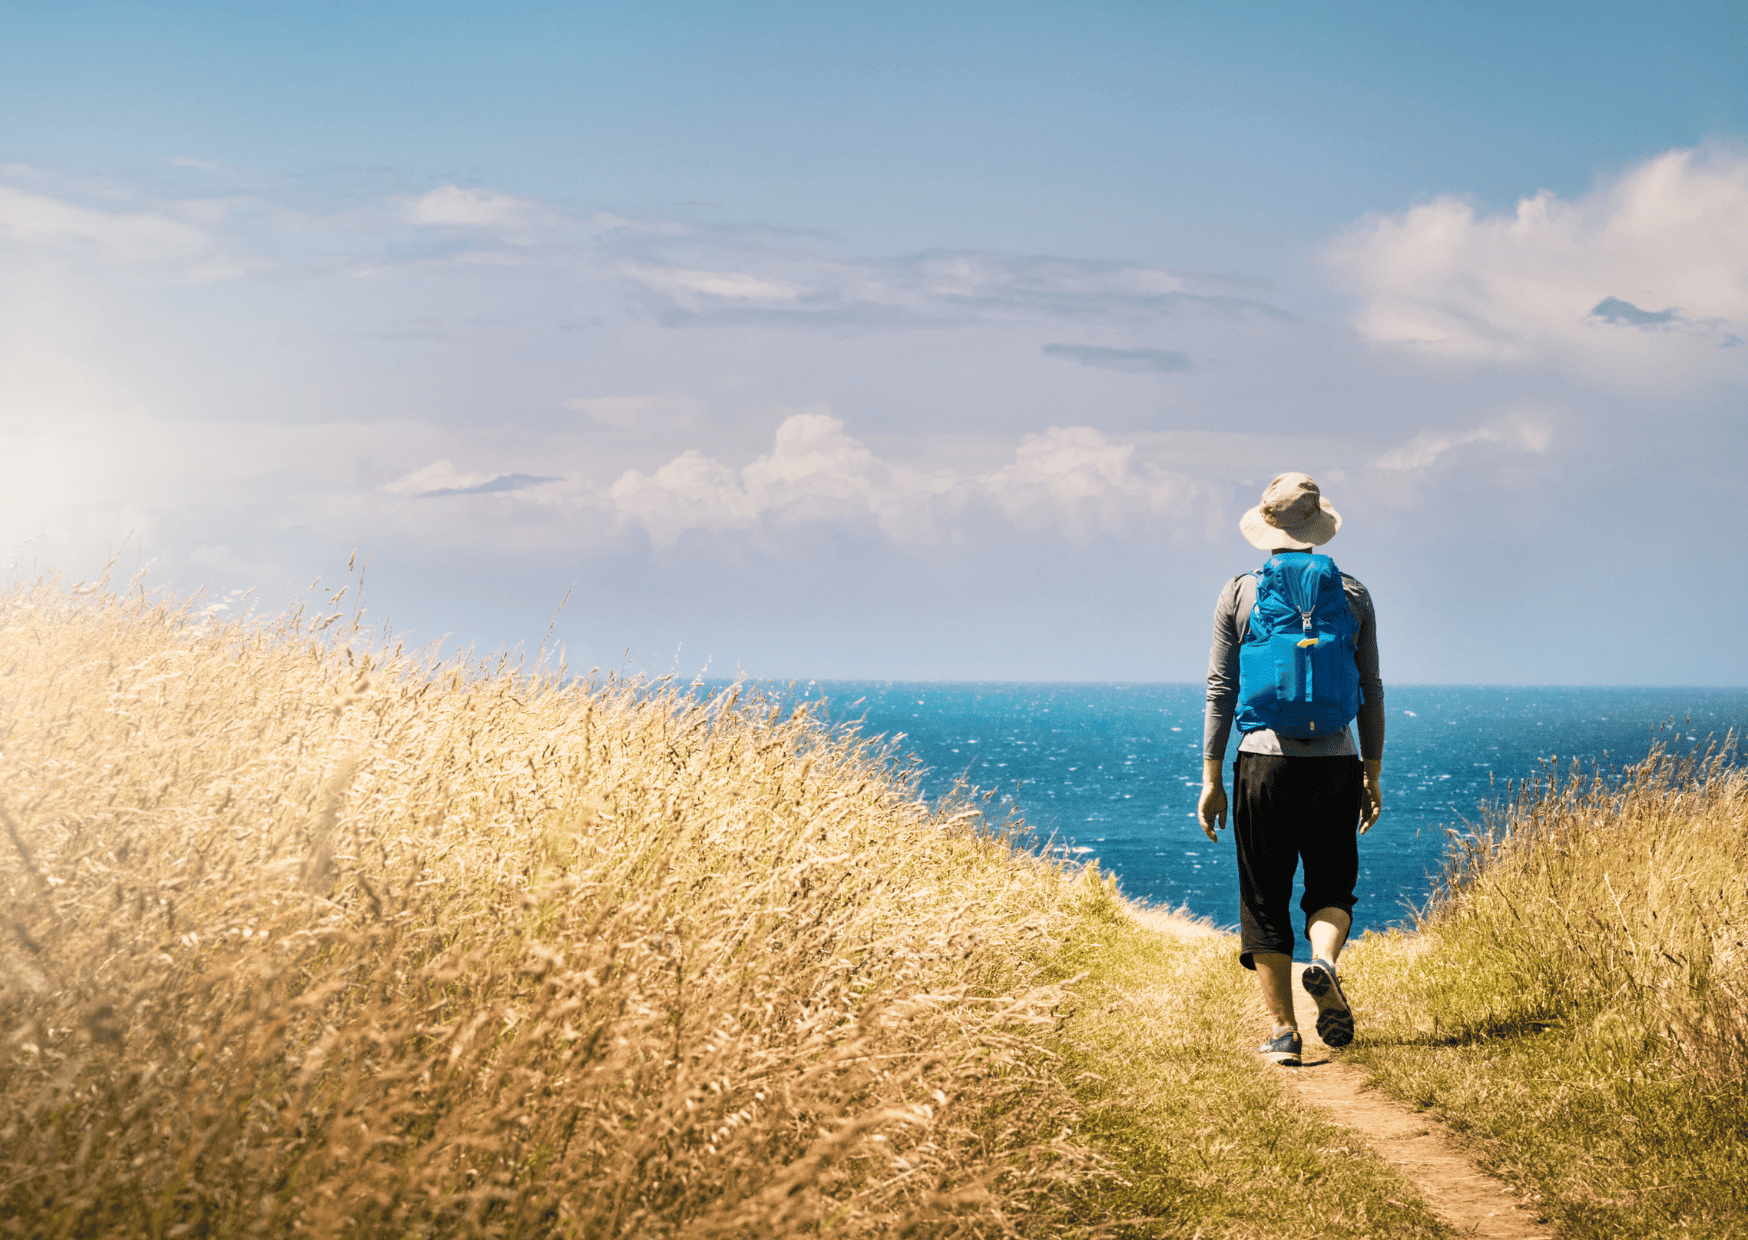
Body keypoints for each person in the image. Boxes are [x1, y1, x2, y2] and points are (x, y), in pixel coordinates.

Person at [1198, 473, 1384, 1066]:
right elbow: (1372, 689)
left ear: (1268, 528)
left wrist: (1211, 775)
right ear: (1316, 526)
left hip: (1262, 762)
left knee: (1263, 896)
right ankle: (1323, 963)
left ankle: (1284, 1032)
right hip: (1337, 760)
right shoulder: (1352, 594)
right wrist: (1371, 771)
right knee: (1331, 884)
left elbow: (1221, 687)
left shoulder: (1240, 594)